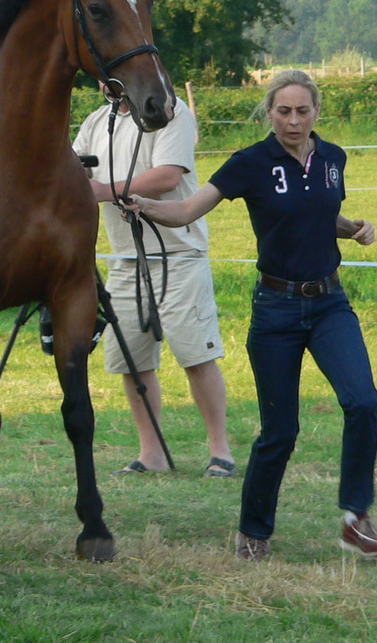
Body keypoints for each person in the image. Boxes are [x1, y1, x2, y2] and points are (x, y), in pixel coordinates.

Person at [128, 69, 377, 560]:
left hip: (330, 304)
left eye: (303, 111)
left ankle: (356, 520)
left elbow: (317, 211)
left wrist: (353, 228)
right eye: (283, 111)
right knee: (280, 431)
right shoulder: (249, 163)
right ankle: (253, 532)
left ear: (316, 112)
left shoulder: (333, 159)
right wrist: (142, 205)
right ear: (269, 112)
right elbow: (187, 211)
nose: (293, 121)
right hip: (276, 312)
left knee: (363, 402)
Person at [72, 83, 236, 478]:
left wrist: (101, 190)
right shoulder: (96, 121)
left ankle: (220, 450)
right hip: (124, 259)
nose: (108, 80)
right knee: (132, 359)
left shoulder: (170, 112)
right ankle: (152, 453)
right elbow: (73, 171)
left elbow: (166, 176)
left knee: (196, 355)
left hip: (179, 256)